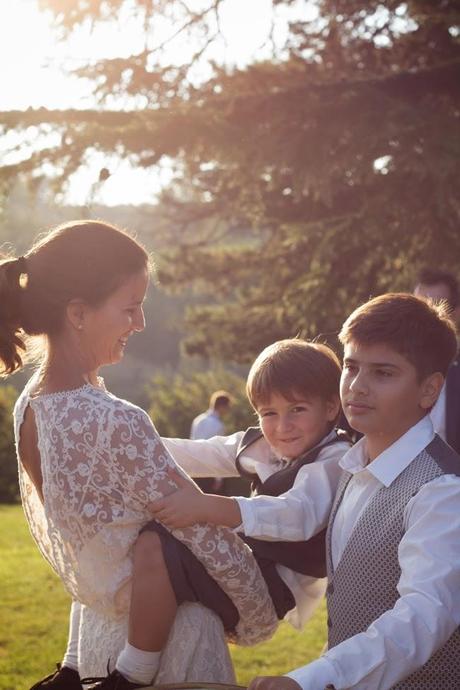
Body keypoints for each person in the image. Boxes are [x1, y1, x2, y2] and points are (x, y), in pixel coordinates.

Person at [8, 221, 276, 690]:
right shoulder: (116, 420)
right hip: (170, 643)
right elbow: (200, 532)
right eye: (130, 308)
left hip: (94, 638)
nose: (140, 323)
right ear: (78, 313)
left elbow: (84, 543)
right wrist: (260, 606)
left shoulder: (29, 405)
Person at [242, 293, 460, 690]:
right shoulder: (348, 466)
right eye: (351, 367)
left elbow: (423, 618)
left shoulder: (443, 492)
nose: (357, 387)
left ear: (429, 390)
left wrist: (310, 680)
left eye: (383, 373)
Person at [414, 268, 460, 453]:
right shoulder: (389, 368)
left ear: (457, 313)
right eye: (418, 308)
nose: (422, 320)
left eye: (434, 309)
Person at [190, 390, 232, 494]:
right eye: (227, 407)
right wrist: (219, 478)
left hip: (195, 470)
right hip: (210, 473)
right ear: (222, 406)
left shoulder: (198, 420)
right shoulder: (218, 425)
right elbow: (218, 452)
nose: (228, 410)